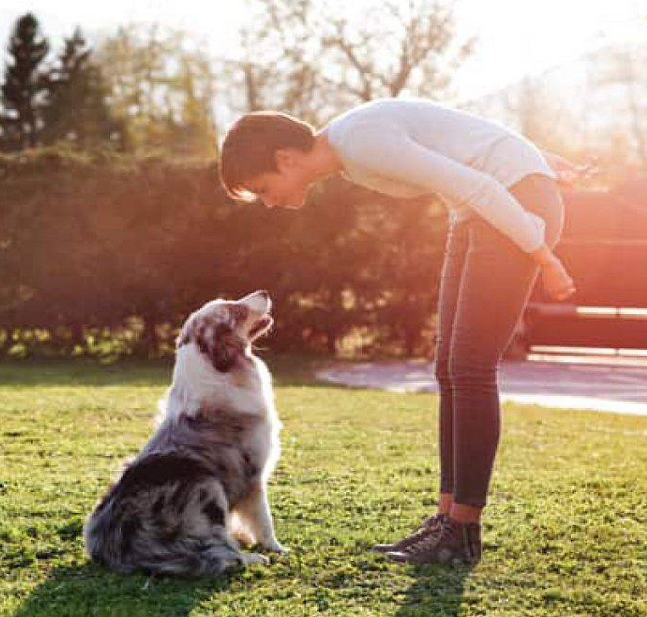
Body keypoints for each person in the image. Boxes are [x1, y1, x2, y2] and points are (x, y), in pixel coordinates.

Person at [218, 98, 581, 565]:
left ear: (285, 159)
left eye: (264, 189)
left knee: (470, 368)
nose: (268, 203)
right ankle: (447, 520)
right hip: (480, 210)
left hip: (509, 205)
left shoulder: (361, 142)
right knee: (449, 367)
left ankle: (463, 529)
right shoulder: (351, 154)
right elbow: (456, 138)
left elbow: (476, 180)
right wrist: (533, 158)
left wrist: (544, 255)